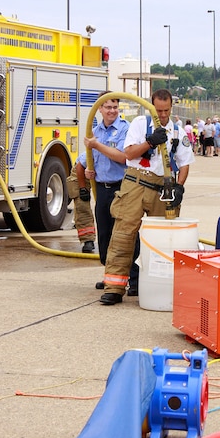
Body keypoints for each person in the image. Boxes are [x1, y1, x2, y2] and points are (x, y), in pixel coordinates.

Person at [99, 88, 194, 305]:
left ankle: (155, 286)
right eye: (158, 110)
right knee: (123, 235)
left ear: (171, 108)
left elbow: (185, 163)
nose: (162, 115)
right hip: (135, 183)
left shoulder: (177, 132)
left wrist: (179, 187)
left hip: (162, 188)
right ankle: (114, 287)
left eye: (166, 110)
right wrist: (150, 142)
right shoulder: (140, 125)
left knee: (161, 241)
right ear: (151, 106)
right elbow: (129, 154)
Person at [82, 93, 140, 295]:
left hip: (122, 189)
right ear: (100, 109)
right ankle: (112, 278)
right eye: (107, 107)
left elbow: (125, 157)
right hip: (102, 189)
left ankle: (134, 280)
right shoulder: (95, 131)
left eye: (115, 106)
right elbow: (87, 159)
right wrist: (88, 170)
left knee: (125, 235)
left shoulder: (126, 130)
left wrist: (97, 145)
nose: (112, 111)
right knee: (105, 235)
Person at [67, 154, 96, 253]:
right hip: (81, 173)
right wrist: (82, 188)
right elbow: (80, 167)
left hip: (106, 174)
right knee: (82, 206)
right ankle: (88, 240)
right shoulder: (94, 151)